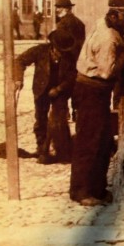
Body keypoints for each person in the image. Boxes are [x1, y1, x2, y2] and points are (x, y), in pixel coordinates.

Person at [69, 0, 124, 206]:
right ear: (113, 15)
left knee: (103, 141)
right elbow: (107, 72)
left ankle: (96, 188)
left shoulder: (102, 24)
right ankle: (81, 191)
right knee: (90, 142)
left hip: (90, 90)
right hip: (92, 91)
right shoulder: (110, 39)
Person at [14, 29, 76, 164]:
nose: (61, 53)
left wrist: (59, 89)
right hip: (41, 89)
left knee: (58, 120)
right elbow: (20, 61)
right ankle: (42, 149)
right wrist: (19, 79)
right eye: (59, 50)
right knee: (41, 119)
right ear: (53, 46)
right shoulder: (40, 51)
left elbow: (73, 76)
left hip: (60, 91)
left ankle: (61, 150)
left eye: (63, 51)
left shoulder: (70, 56)